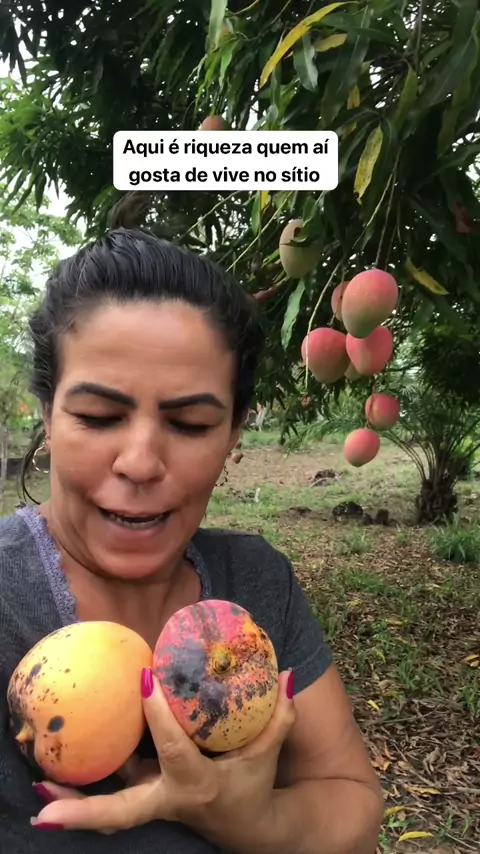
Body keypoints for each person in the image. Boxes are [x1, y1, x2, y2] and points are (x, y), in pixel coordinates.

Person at [0, 227, 383, 853]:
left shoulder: (257, 583)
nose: (140, 462)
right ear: (47, 415)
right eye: (97, 416)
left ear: (233, 434)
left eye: (190, 423)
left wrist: (244, 819)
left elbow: (354, 805)